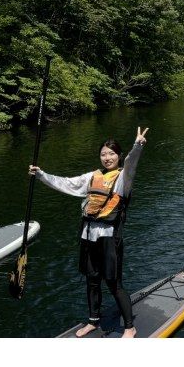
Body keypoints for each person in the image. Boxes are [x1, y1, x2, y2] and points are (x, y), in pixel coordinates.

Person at [29, 126, 150, 338]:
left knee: (113, 283)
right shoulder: (92, 176)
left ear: (119, 156)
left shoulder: (123, 178)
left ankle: (130, 327)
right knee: (92, 280)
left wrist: (137, 145)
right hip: (88, 235)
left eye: (111, 153)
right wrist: (41, 175)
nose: (107, 157)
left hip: (109, 238)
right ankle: (93, 321)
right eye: (103, 154)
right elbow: (67, 184)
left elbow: (131, 163)